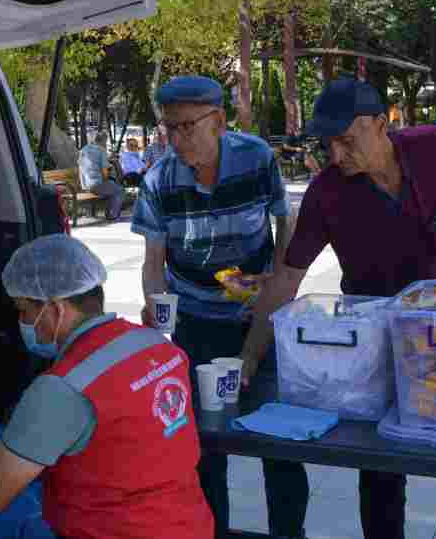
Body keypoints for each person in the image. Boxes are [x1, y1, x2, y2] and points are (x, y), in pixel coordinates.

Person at [236, 77, 436, 539]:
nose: (336, 155)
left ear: (381, 124)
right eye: (328, 143)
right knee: (379, 469)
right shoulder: (326, 193)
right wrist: (250, 356)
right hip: (377, 344)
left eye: (346, 141)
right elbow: (287, 279)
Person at [0, 234, 214, 539]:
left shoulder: (64, 388)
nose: (22, 322)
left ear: (55, 309)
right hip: (190, 525)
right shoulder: (156, 345)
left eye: (24, 310)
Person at [131, 75, 304, 539]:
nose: (178, 139)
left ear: (220, 122)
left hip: (259, 316)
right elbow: (153, 264)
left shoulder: (257, 158)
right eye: (170, 128)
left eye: (188, 126)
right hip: (197, 323)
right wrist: (157, 312)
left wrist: (279, 279)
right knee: (204, 448)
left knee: (280, 443)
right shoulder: (159, 179)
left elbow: (285, 227)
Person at [79, 131, 125, 220]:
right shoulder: (101, 150)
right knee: (119, 190)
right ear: (103, 141)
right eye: (105, 142)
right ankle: (112, 215)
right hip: (96, 184)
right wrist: (106, 179)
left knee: (111, 187)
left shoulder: (84, 149)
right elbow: (105, 172)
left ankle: (109, 213)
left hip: (85, 184)